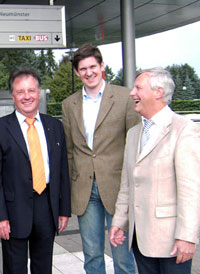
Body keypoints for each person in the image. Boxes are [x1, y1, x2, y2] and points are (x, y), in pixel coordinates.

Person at [109, 68, 200, 274]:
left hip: (171, 242)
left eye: (138, 88)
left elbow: (191, 190)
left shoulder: (184, 130)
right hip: (140, 238)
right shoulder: (133, 133)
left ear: (158, 92)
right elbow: (127, 183)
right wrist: (119, 221)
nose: (132, 93)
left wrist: (187, 236)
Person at [61, 44, 139, 274]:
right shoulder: (69, 105)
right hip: (85, 190)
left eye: (93, 66)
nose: (89, 72)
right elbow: (69, 151)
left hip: (118, 188)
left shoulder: (125, 97)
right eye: (83, 68)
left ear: (102, 66)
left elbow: (134, 145)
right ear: (76, 72)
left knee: (123, 256)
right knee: (92, 255)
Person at [0, 67, 71, 274]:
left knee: (44, 267)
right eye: (20, 92)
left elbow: (62, 171)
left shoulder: (54, 126)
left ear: (39, 92)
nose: (27, 97)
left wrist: (64, 209)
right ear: (12, 96)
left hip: (47, 206)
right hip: (13, 211)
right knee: (15, 269)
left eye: (31, 91)